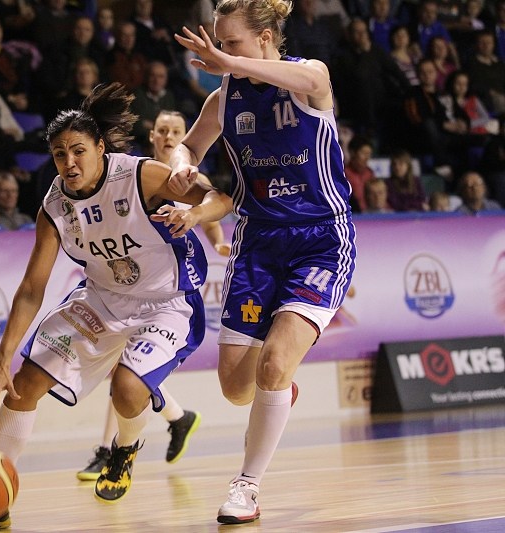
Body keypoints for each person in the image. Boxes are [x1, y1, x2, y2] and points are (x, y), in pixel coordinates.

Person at [0, 82, 231, 532]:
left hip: (166, 301)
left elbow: (220, 198)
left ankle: (124, 450)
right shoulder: (55, 205)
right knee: (23, 385)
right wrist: (1, 359)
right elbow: (31, 288)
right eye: (59, 154)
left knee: (127, 389)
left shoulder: (141, 175)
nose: (69, 162)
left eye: (78, 151)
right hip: (102, 299)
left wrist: (195, 215)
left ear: (101, 148)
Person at [168, 0, 357, 524]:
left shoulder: (308, 77)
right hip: (257, 244)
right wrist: (183, 167)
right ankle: (281, 388)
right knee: (236, 387)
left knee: (272, 364)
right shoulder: (225, 97)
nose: (222, 53)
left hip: (320, 240)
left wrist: (230, 64)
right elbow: (189, 148)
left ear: (267, 38)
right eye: (221, 44)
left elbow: (313, 79)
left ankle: (246, 487)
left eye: (232, 43)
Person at [76, 109, 231, 482]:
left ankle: (114, 447)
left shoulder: (190, 178)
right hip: (130, 286)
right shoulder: (134, 175)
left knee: (126, 371)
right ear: (152, 136)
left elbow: (210, 214)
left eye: (176, 131)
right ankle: (176, 418)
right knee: (124, 370)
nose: (168, 137)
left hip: (169, 290)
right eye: (162, 130)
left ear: (185, 136)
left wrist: (219, 243)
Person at [344, 135, 375, 212]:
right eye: (364, 153)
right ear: (352, 153)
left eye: (369, 154)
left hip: (371, 215)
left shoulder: (370, 173)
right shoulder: (343, 174)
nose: (367, 158)